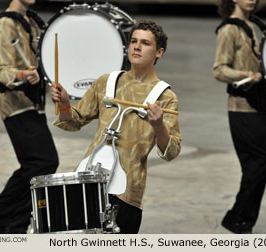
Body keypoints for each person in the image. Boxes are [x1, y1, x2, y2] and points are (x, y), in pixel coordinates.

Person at [51, 20, 181, 234]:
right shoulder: (106, 82)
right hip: (88, 181)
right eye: (133, 41)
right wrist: (65, 104)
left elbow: (171, 152)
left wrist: (158, 125)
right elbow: (73, 121)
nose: (137, 47)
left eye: (145, 43)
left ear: (159, 52)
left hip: (127, 193)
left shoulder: (166, 97)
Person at [0, 0, 59, 234]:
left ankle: (2, 223)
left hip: (33, 105)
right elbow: (3, 71)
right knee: (43, 162)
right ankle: (2, 223)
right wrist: (24, 74)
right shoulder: (5, 24)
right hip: (16, 105)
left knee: (36, 166)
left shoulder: (32, 22)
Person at [213, 0, 266, 234]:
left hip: (259, 104)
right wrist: (246, 74)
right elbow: (219, 69)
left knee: (259, 162)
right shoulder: (229, 29)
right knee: (259, 162)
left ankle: (240, 219)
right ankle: (239, 218)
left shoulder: (255, 24)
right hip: (241, 106)